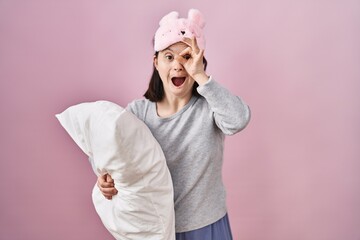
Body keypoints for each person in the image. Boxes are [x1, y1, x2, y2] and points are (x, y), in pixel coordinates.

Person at [98, 8, 250, 240]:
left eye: (187, 57)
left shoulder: (210, 107)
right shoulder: (138, 113)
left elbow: (238, 120)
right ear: (156, 62)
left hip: (206, 226)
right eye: (169, 57)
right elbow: (109, 156)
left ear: (199, 62)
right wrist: (104, 179)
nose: (178, 65)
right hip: (155, 229)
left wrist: (202, 77)